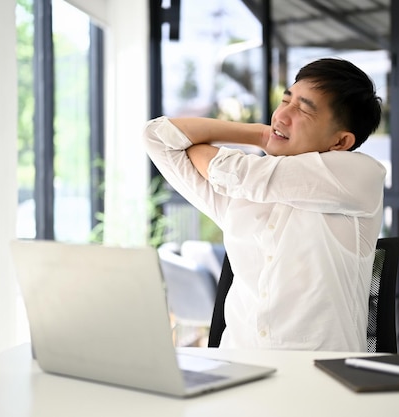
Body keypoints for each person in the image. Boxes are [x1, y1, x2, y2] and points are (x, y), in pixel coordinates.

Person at [143, 57, 386, 352]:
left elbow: (235, 172)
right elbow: (157, 136)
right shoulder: (243, 194)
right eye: (286, 100)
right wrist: (260, 133)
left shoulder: (360, 175)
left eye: (303, 109)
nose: (282, 115)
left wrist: (258, 141)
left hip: (320, 378)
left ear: (340, 142)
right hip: (237, 369)